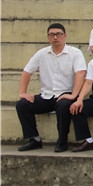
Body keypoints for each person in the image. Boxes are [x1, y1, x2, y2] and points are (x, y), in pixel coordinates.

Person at [16, 23, 86, 152]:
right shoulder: (42, 53)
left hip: (66, 94)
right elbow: (27, 71)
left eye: (58, 34)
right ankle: (34, 139)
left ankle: (62, 141)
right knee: (22, 104)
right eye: (52, 35)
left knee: (63, 105)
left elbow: (80, 74)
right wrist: (23, 92)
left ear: (65, 35)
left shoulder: (75, 53)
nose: (55, 37)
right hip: (46, 95)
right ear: (48, 37)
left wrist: (73, 95)